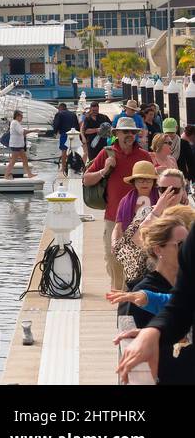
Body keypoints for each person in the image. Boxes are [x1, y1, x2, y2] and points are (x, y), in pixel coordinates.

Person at [113, 207, 195, 384]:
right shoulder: (140, 294)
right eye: (181, 245)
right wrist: (151, 332)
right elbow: (179, 309)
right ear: (159, 250)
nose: (188, 250)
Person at [85, 122, 150, 291]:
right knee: (112, 257)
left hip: (140, 219)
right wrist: (104, 170)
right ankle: (118, 290)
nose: (130, 134)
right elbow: (86, 179)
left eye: (133, 132)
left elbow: (154, 183)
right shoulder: (107, 153)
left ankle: (127, 295)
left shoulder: (144, 155)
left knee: (138, 259)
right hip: (113, 217)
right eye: (125, 131)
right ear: (117, 134)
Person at [112, 160, 158, 285]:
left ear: (154, 182)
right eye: (140, 179)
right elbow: (118, 225)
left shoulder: (160, 198)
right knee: (130, 284)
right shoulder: (125, 201)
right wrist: (114, 242)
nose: (144, 182)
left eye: (148, 180)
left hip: (155, 248)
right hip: (132, 249)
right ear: (134, 182)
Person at [51, 102, 81, 177]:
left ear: (60, 108)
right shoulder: (73, 114)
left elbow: (56, 124)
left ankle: (63, 167)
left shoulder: (59, 114)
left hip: (65, 134)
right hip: (74, 133)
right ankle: (73, 165)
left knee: (64, 151)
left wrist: (55, 132)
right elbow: (77, 125)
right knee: (73, 150)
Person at [4, 109, 34, 180]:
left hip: (19, 145)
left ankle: (29, 174)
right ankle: (6, 175)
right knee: (13, 161)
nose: (22, 118)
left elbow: (21, 132)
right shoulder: (15, 123)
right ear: (17, 116)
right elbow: (22, 132)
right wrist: (33, 130)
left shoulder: (16, 123)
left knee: (25, 159)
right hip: (16, 145)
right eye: (21, 116)